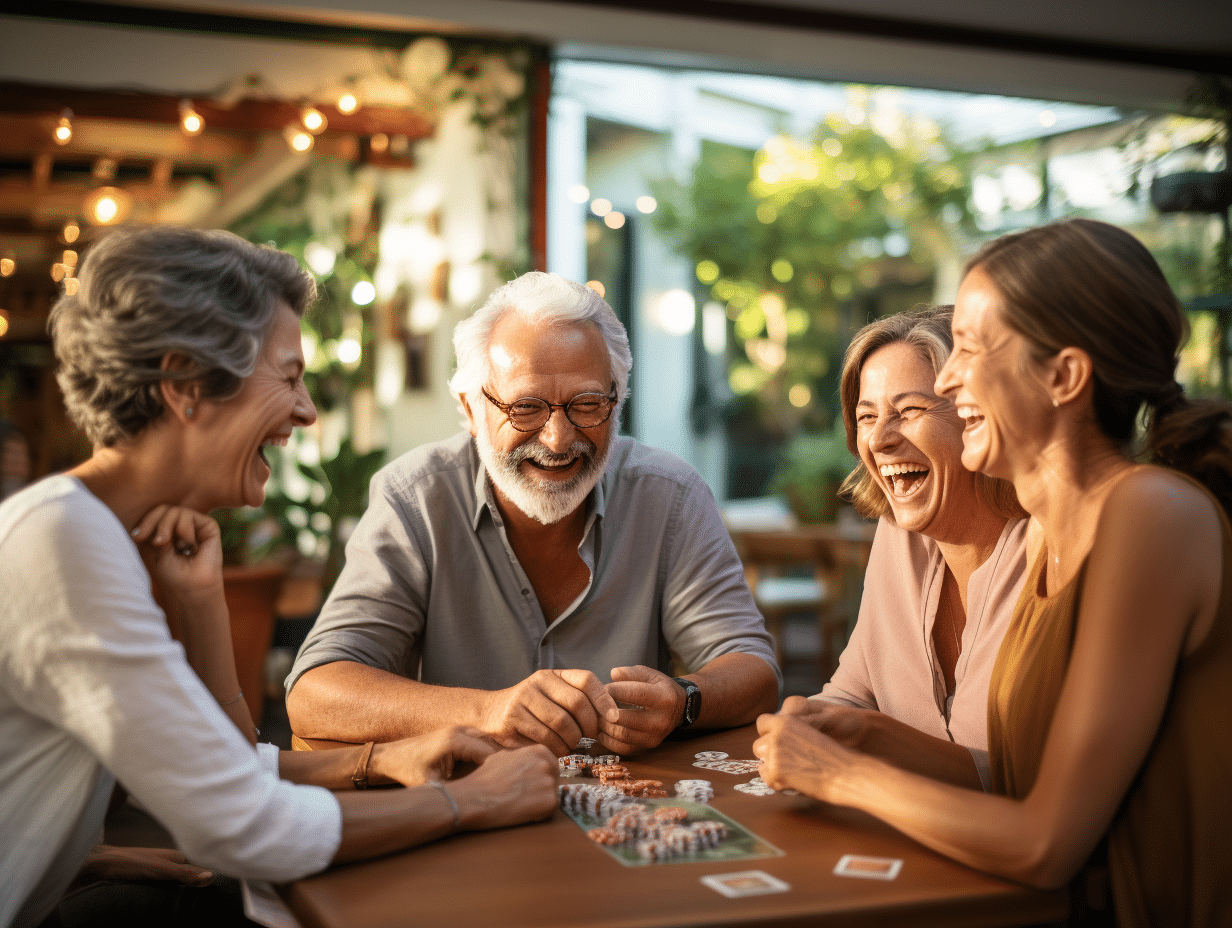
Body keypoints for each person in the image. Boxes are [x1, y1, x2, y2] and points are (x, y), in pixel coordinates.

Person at [0, 227, 558, 928]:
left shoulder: (93, 532)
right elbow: (242, 824)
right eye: (289, 377)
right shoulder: (64, 543)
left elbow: (208, 769)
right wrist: (472, 802)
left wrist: (202, 603)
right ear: (185, 386)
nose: (306, 411)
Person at [754, 218, 1232, 927]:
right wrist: (874, 736)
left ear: (1065, 376)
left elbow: (1046, 842)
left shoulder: (1148, 513)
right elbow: (1022, 779)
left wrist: (842, 774)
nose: (947, 377)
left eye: (972, 349)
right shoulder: (1059, 532)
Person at [286, 271, 780, 757]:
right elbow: (314, 693)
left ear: (617, 403)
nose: (558, 439)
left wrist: (684, 701)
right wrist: (487, 712)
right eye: (525, 408)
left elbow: (754, 672)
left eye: (587, 404)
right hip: (461, 809)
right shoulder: (413, 499)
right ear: (471, 409)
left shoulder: (669, 497)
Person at [781, 307, 1026, 790]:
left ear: (979, 416)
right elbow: (853, 695)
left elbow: (1049, 789)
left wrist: (873, 742)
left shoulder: (1052, 549)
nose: (879, 439)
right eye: (866, 417)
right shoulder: (898, 537)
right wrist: (805, 722)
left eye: (910, 411)